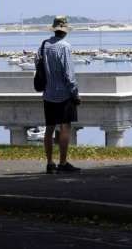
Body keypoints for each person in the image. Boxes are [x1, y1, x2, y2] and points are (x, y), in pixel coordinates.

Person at [41, 16, 81, 174]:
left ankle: (50, 162)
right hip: (64, 93)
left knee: (49, 128)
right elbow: (69, 74)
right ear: (64, 31)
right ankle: (63, 162)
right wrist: (75, 93)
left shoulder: (44, 45)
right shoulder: (64, 47)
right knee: (65, 127)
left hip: (48, 93)